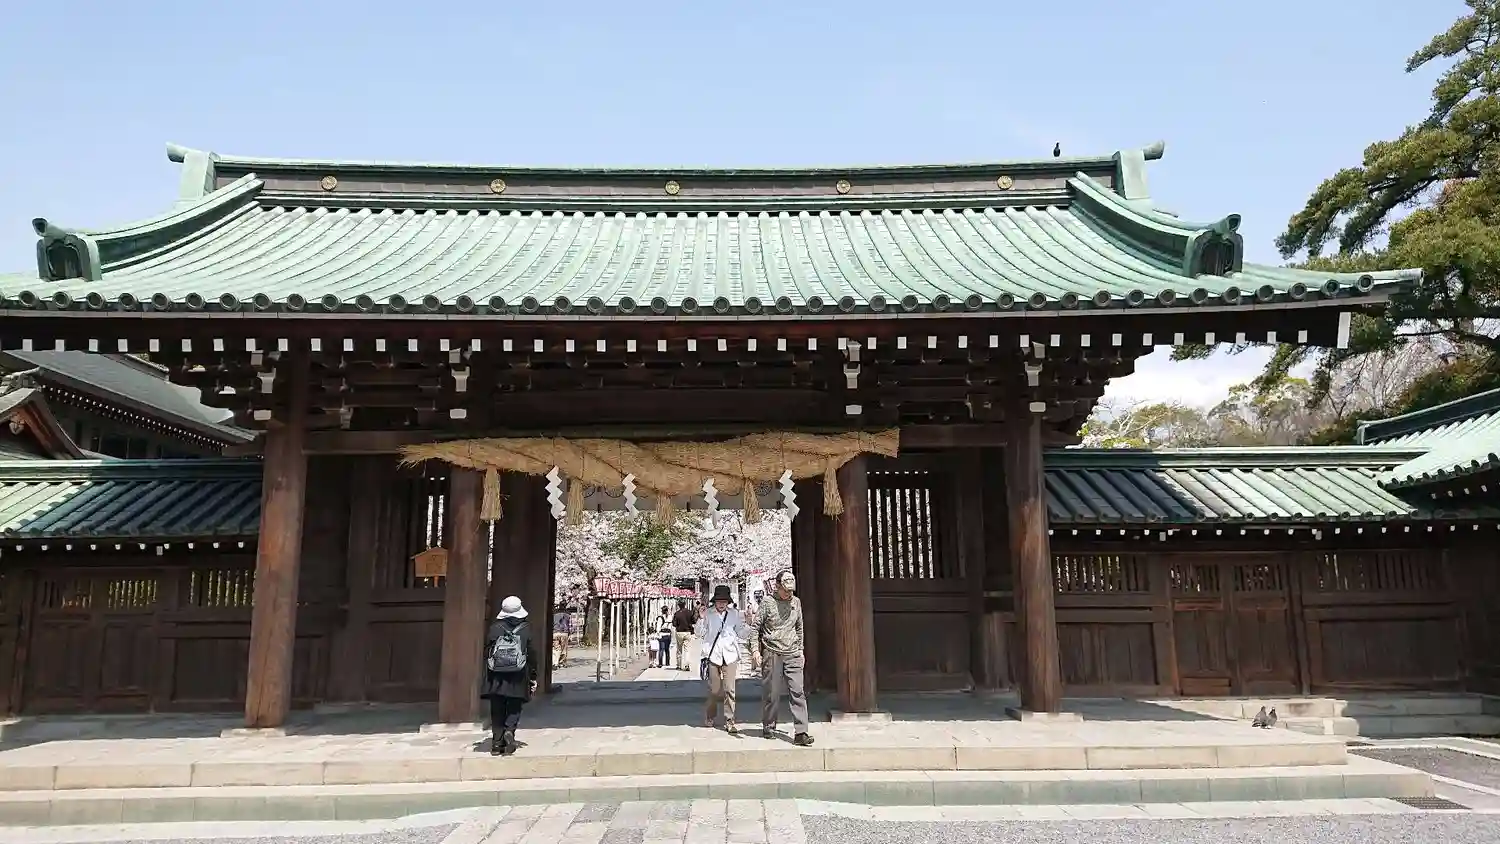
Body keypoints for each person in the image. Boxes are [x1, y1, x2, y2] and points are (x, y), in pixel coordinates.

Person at [753, 569, 813, 746]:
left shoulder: (796, 602)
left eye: (791, 591)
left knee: (798, 691)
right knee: (772, 692)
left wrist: (801, 650)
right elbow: (755, 628)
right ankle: (769, 725)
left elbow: (799, 627)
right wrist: (755, 651)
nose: (788, 594)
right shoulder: (767, 602)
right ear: (777, 586)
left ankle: (801, 732)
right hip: (772, 651)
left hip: (792, 652)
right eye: (785, 590)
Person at [481, 596, 538, 756]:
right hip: (518, 674)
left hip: (496, 675)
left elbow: (487, 651)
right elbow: (532, 654)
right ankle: (509, 731)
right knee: (514, 705)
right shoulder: (526, 628)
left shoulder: (495, 628)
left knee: (497, 708)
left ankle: (496, 744)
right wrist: (533, 675)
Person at [695, 585, 750, 734]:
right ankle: (710, 715)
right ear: (715, 601)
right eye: (719, 601)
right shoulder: (708, 614)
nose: (721, 604)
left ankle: (729, 720)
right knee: (714, 690)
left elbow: (742, 633)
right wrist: (701, 619)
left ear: (728, 602)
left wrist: (748, 624)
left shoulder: (734, 614)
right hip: (713, 655)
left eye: (724, 601)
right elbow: (699, 633)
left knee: (730, 689)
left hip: (730, 654)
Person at [671, 600, 696, 671]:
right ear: (685, 604)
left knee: (679, 650)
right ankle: (687, 665)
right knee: (687, 650)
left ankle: (679, 665)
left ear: (678, 605)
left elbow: (674, 624)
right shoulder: (689, 612)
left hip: (679, 632)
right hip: (687, 632)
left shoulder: (677, 613)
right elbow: (694, 621)